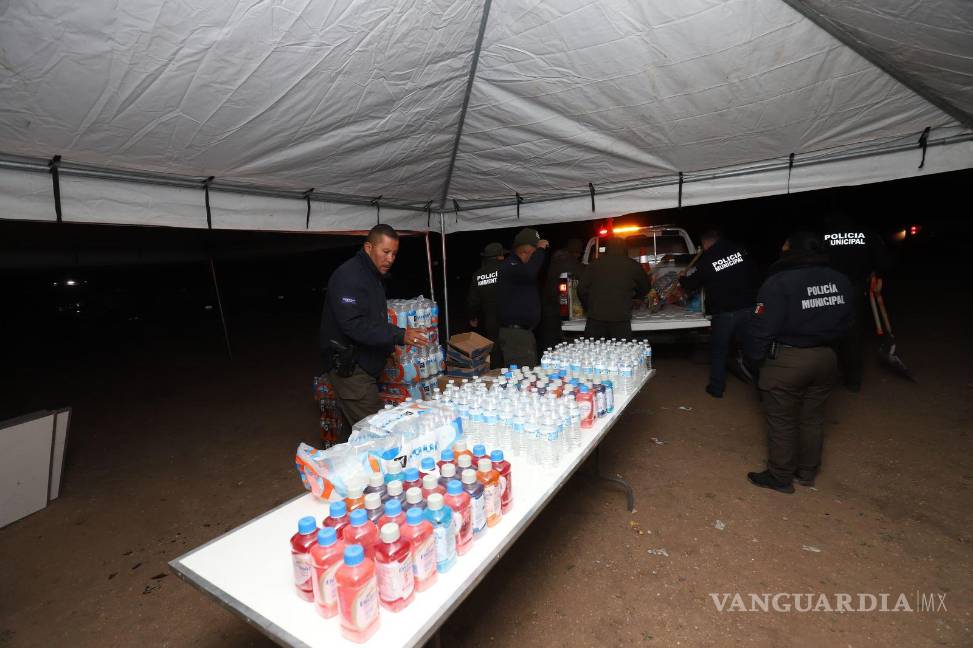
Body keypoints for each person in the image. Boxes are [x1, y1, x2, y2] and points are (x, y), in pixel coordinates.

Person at [745, 232, 854, 494]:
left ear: (792, 251)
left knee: (782, 420)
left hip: (788, 358)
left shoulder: (779, 282)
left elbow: (761, 328)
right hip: (827, 358)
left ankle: (780, 476)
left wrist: (755, 361)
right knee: (813, 419)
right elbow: (850, 322)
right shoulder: (841, 280)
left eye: (784, 246)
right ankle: (807, 472)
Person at [320, 224, 427, 433]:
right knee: (378, 432)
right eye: (385, 252)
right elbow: (353, 324)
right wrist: (398, 335)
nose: (390, 259)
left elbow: (374, 319)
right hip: (351, 370)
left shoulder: (372, 276)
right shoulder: (349, 277)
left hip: (364, 363)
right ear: (369, 248)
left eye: (394, 254)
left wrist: (387, 349)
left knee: (358, 430)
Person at [678, 230, 758, 398]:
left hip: (725, 313)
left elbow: (692, 284)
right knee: (752, 350)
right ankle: (762, 386)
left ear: (705, 243)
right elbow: (754, 272)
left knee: (719, 350)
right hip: (748, 308)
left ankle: (716, 388)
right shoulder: (739, 250)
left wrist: (682, 278)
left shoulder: (708, 258)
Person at [821, 215, 890, 392]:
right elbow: (882, 260)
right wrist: (878, 274)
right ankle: (853, 381)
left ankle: (830, 378)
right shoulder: (868, 234)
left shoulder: (825, 236)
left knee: (830, 333)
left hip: (829, 290)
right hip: (856, 289)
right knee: (853, 335)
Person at [577, 237, 650, 339]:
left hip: (595, 319)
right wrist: (634, 297)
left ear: (607, 248)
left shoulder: (594, 265)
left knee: (593, 352)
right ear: (625, 249)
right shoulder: (633, 265)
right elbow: (645, 287)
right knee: (621, 352)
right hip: (621, 319)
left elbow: (581, 289)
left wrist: (588, 307)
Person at [496, 227, 549, 368]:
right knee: (522, 379)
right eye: (535, 250)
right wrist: (541, 250)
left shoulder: (519, 267)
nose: (536, 255)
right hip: (515, 335)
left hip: (522, 334)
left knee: (527, 375)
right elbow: (530, 273)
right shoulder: (511, 264)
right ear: (526, 250)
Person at [538, 238, 584, 351]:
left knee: (550, 342)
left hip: (548, 306)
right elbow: (583, 274)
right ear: (576, 252)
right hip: (557, 307)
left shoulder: (556, 259)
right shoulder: (569, 261)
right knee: (556, 343)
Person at [466, 242, 506, 369]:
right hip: (509, 317)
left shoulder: (478, 275)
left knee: (494, 351)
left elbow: (473, 300)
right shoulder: (507, 268)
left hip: (490, 320)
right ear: (500, 256)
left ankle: (497, 376)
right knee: (511, 350)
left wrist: (473, 317)